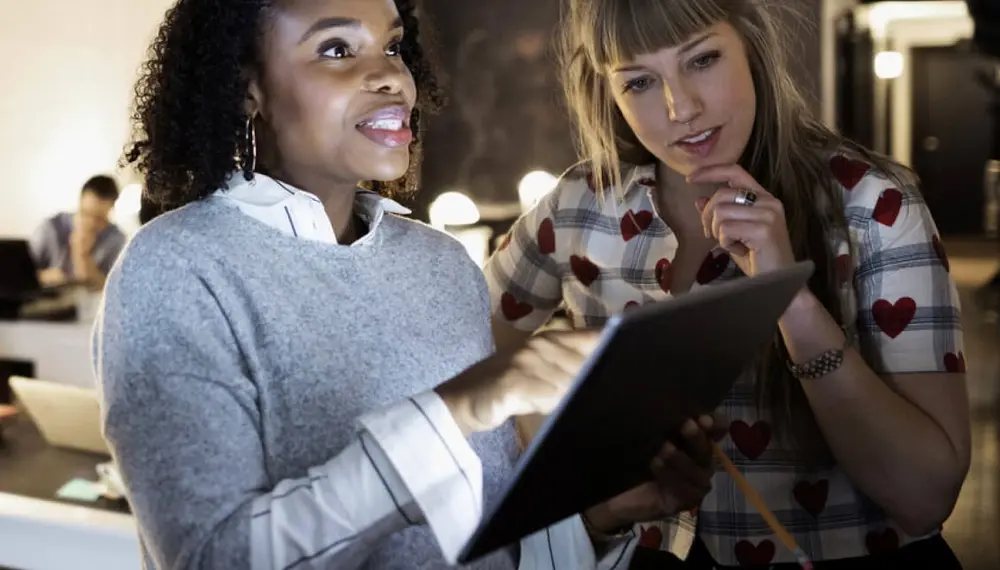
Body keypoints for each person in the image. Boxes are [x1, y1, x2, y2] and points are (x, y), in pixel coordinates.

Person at [93, 0, 725, 569]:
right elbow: (215, 560)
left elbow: (484, 547)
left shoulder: (443, 266)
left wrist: (596, 518)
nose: (392, 76)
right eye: (336, 50)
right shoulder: (176, 270)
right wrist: (459, 406)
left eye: (392, 46)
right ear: (245, 86)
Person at [485, 1, 970, 568]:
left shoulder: (873, 206)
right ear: (608, 93)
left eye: (703, 59)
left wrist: (791, 300)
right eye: (640, 81)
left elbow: (925, 498)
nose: (680, 108)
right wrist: (575, 457)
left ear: (752, 45)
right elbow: (458, 377)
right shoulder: (576, 209)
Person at [29, 174, 126, 290]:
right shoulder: (51, 228)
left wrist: (82, 254)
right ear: (79, 202)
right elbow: (20, 274)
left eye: (99, 218)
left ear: (111, 209)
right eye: (85, 213)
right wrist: (44, 277)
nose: (90, 223)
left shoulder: (115, 239)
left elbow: (107, 288)